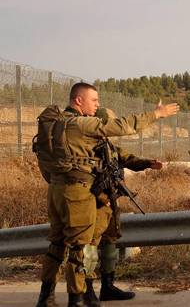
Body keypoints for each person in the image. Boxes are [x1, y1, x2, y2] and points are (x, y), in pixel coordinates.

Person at [34, 82, 179, 307]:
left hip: (57, 190)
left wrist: (146, 163)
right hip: (79, 192)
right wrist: (156, 114)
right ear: (78, 100)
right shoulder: (81, 125)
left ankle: (46, 297)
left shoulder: (56, 125)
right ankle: (78, 299)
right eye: (94, 100)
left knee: (57, 244)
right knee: (80, 248)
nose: (97, 105)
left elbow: (119, 155)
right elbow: (122, 126)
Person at [84, 108, 164, 304]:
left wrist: (147, 163)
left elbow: (126, 158)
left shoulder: (108, 146)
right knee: (90, 245)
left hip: (110, 200)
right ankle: (85, 289)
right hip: (94, 202)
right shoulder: (85, 145)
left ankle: (107, 286)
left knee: (111, 239)